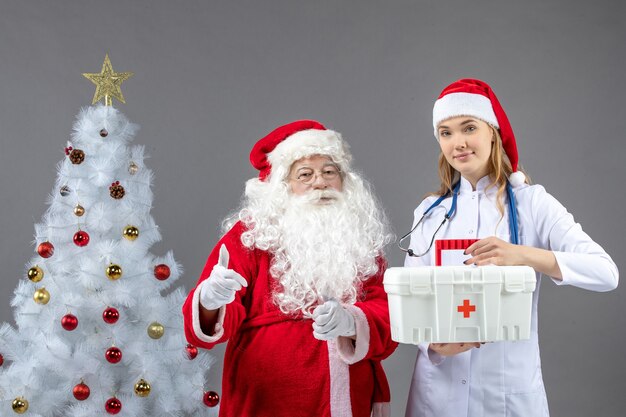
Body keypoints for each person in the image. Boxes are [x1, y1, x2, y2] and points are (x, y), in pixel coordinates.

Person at [402, 79, 618, 417]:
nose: (458, 143)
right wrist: (432, 345)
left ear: (492, 131)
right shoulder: (430, 213)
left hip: (506, 395)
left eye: (468, 128)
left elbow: (606, 273)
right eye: (446, 133)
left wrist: (523, 255)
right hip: (437, 392)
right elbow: (410, 303)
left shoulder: (532, 204)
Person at [183, 120, 398, 417]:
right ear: (283, 187)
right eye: (305, 175)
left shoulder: (360, 238)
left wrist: (351, 322)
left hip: (346, 400)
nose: (320, 182)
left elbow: (388, 313)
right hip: (266, 401)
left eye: (329, 172)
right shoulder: (250, 236)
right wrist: (209, 302)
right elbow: (210, 328)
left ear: (344, 179)